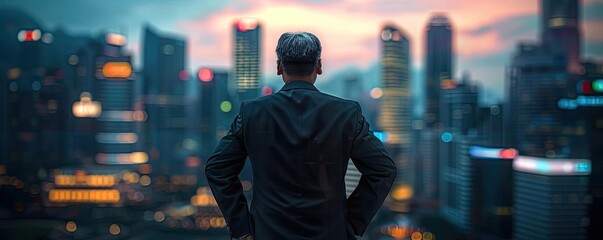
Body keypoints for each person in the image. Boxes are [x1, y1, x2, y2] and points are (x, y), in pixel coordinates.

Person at [205, 32, 397, 240]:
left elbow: (217, 168)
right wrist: (351, 223)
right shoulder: (346, 113)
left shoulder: (252, 112)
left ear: (279, 67)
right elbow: (383, 170)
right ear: (319, 66)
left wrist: (242, 228)